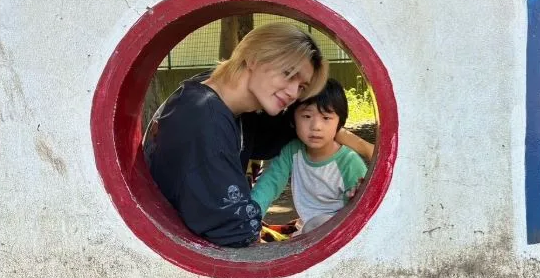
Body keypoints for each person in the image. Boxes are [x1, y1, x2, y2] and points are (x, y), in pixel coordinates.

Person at [143, 22, 372, 247]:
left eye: (302, 86)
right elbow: (236, 231)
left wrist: (367, 153)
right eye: (288, 73)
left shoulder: (233, 100)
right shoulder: (205, 121)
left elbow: (311, 128)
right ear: (253, 58)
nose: (293, 93)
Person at [251, 79, 368, 235]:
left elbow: (361, 210)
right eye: (307, 116)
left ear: (340, 121)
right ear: (293, 119)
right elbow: (270, 183)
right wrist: (250, 214)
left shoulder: (349, 163)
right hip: (307, 229)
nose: (316, 126)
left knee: (318, 223)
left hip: (340, 232)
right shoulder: (293, 150)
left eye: (326, 118)